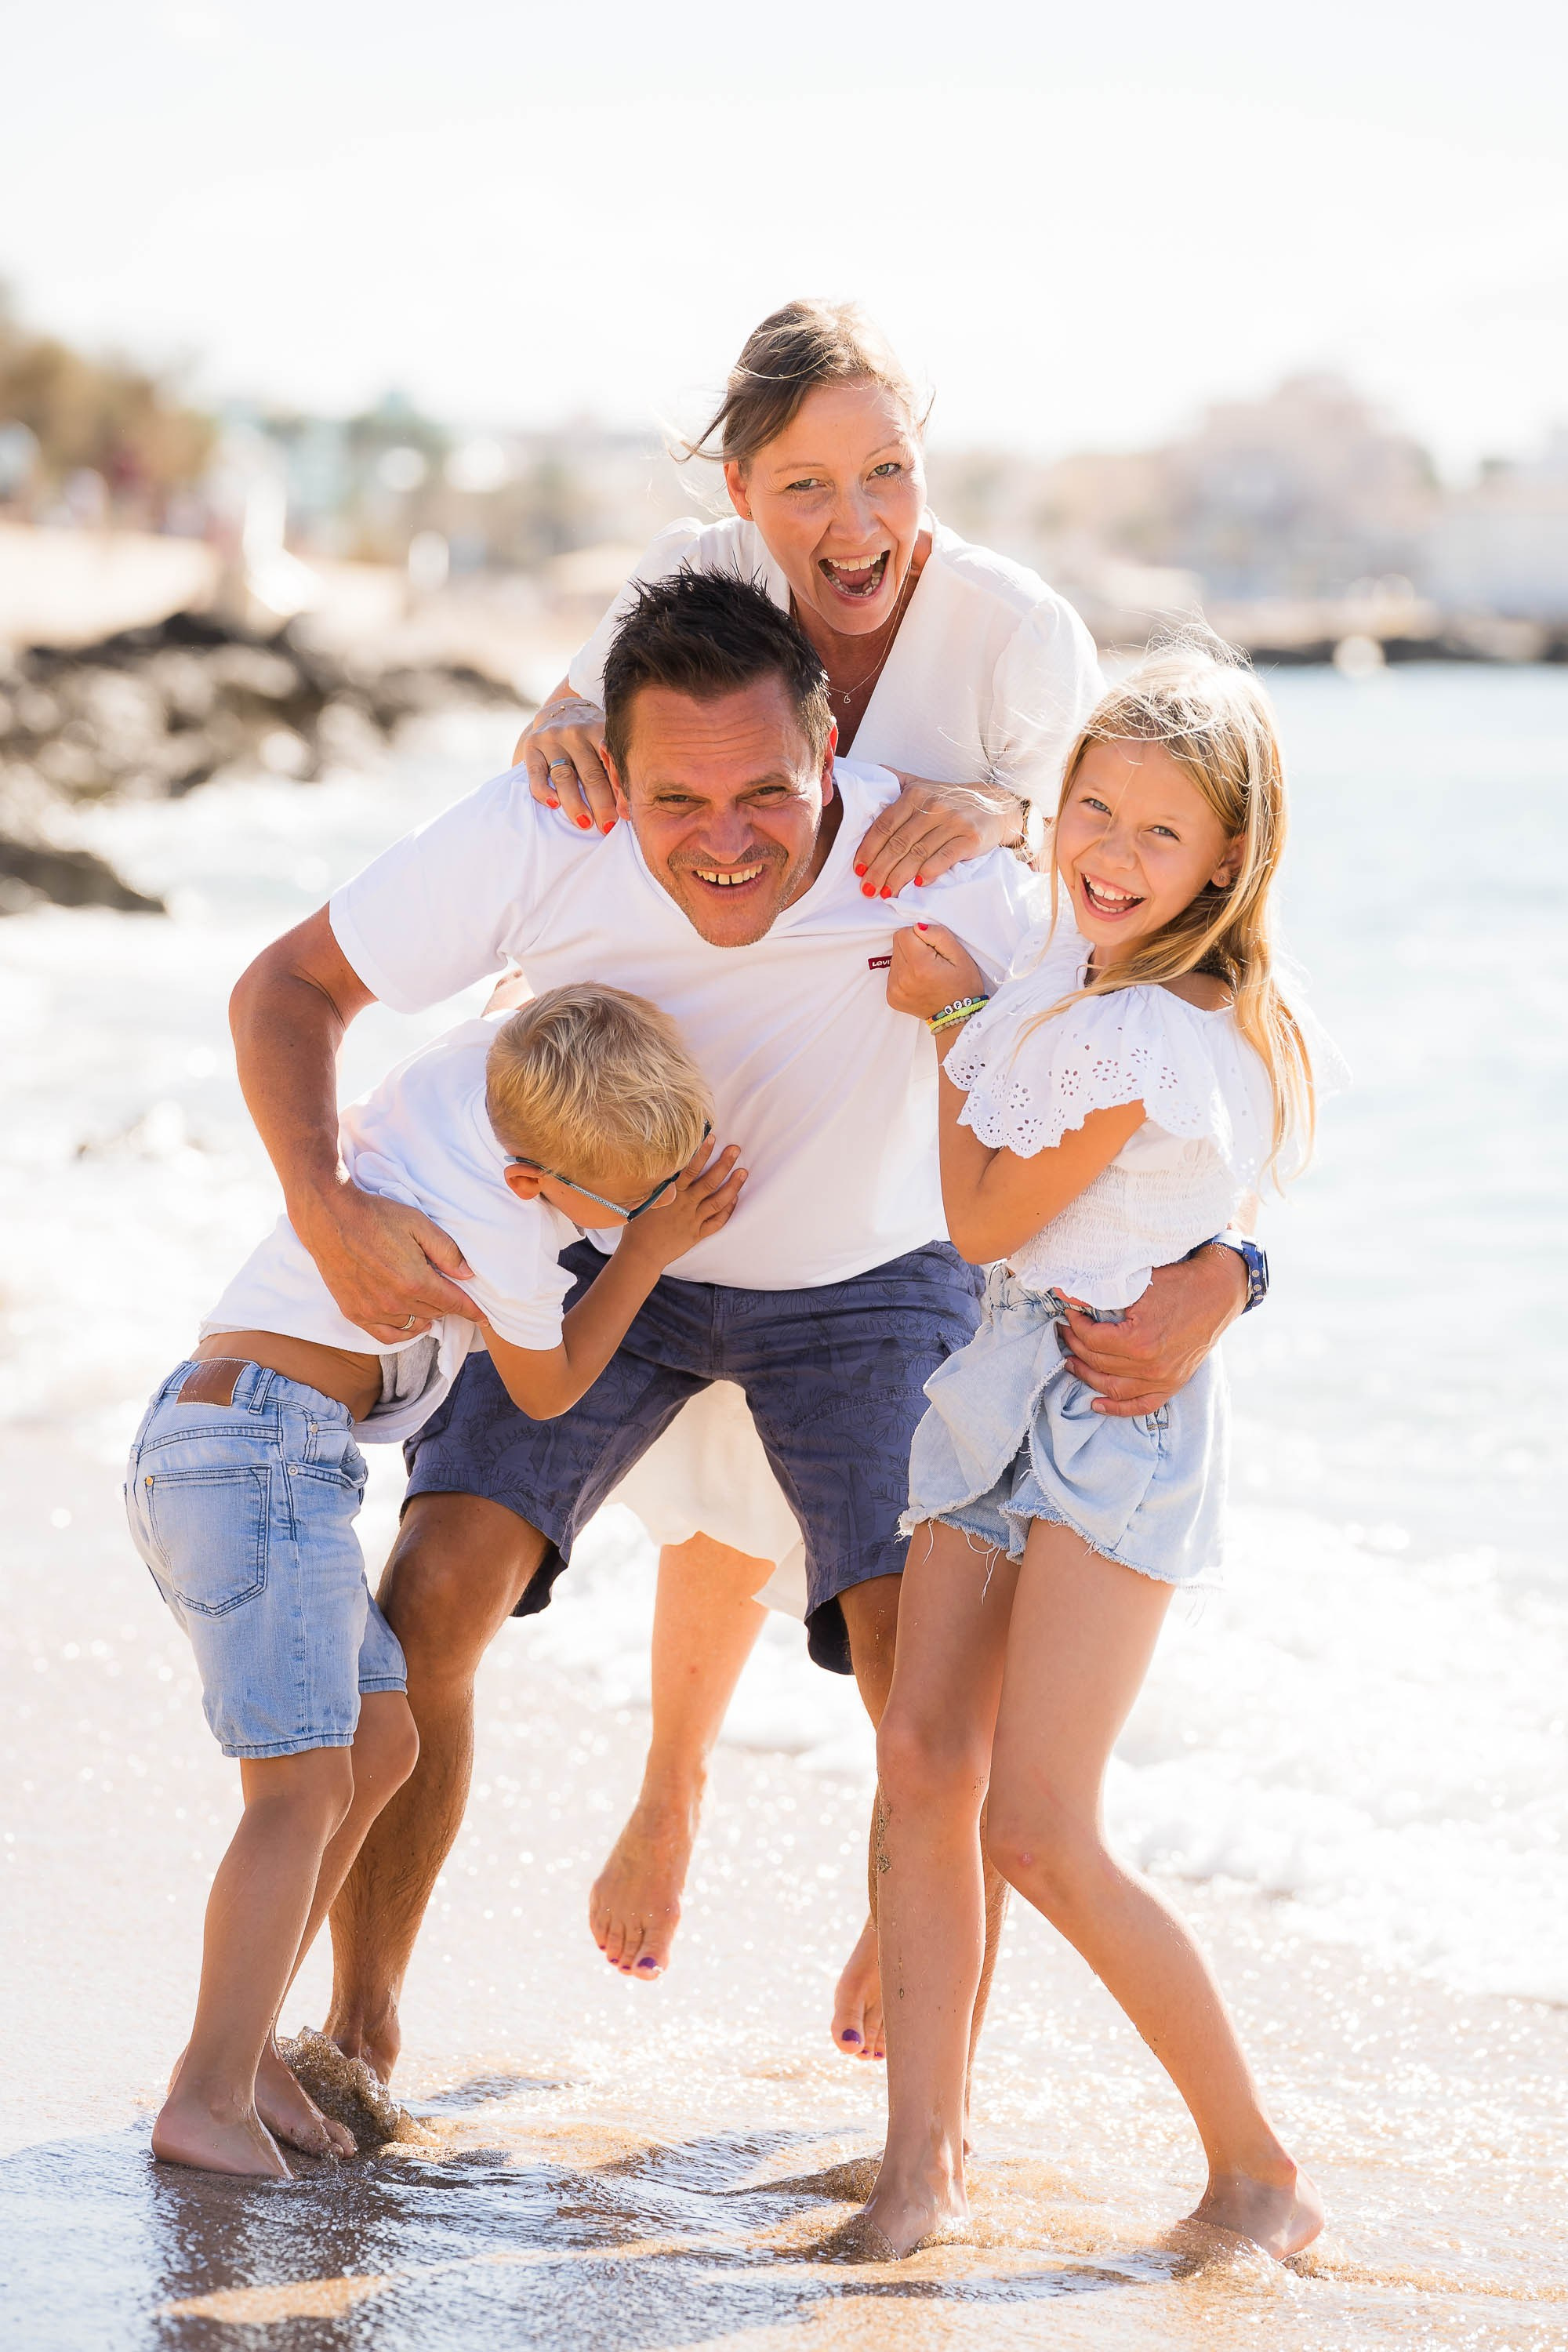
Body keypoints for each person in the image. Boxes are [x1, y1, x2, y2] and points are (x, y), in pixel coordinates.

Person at [510, 300, 1241, 2041]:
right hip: (752, 1100)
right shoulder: (702, 571)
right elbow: (591, 711)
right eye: (808, 485)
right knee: (713, 1479)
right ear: (742, 494)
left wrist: (989, 812)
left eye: (891, 471)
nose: (857, 524)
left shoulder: (1010, 628)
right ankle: (672, 1789)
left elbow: (1131, 898)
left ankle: (897, 1879)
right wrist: (555, 724)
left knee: (906, 1559)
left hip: (943, 1147)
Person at [230, 568, 1062, 2091]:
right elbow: (286, 987)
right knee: (424, 1615)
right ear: (613, 767)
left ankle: (924, 2098)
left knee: (922, 1686)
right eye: (679, 796)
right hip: (600, 1255)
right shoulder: (552, 822)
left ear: (833, 758)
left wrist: (1224, 1277)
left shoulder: (932, 866)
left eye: (770, 792)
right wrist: (327, 1206)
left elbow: (1147, 1057)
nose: (728, 835)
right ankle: (357, 2031)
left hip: (866, 1283)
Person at [848, 644, 1326, 2259]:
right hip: (1004, 1369)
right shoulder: (1076, 971)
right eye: (1092, 811)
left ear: (1227, 862)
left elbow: (985, 1203)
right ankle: (920, 2167)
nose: (1110, 856)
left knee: (1038, 1826)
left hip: (1113, 1416)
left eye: (1159, 836)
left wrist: (939, 1024)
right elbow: (1089, 1200)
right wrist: (977, 992)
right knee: (920, 1760)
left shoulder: (1152, 1027)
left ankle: (1257, 2168)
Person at [125, 984, 732, 2176]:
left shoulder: (461, 1087)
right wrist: (648, 1257)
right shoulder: (502, 1234)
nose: (637, 1218)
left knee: (385, 1740)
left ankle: (247, 2054)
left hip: (233, 1440)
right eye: (621, 1205)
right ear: (533, 1185)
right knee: (297, 1791)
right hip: (259, 1455)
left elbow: (523, 1019)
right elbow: (551, 1387)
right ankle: (202, 2096)